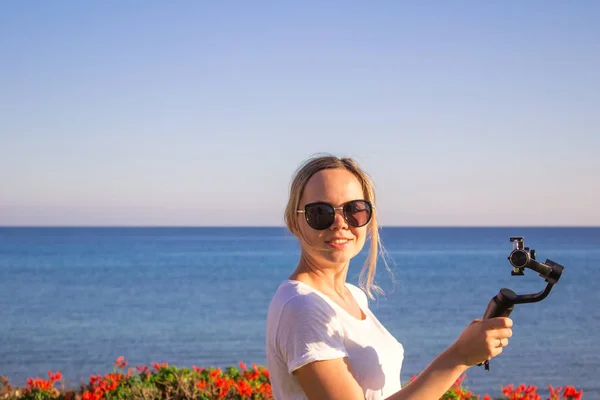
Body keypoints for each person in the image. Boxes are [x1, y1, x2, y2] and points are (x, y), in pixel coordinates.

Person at [265, 154, 513, 400]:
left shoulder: (352, 296)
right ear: (294, 221)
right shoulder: (302, 307)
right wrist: (458, 358)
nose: (340, 223)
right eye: (320, 212)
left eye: (355, 210)